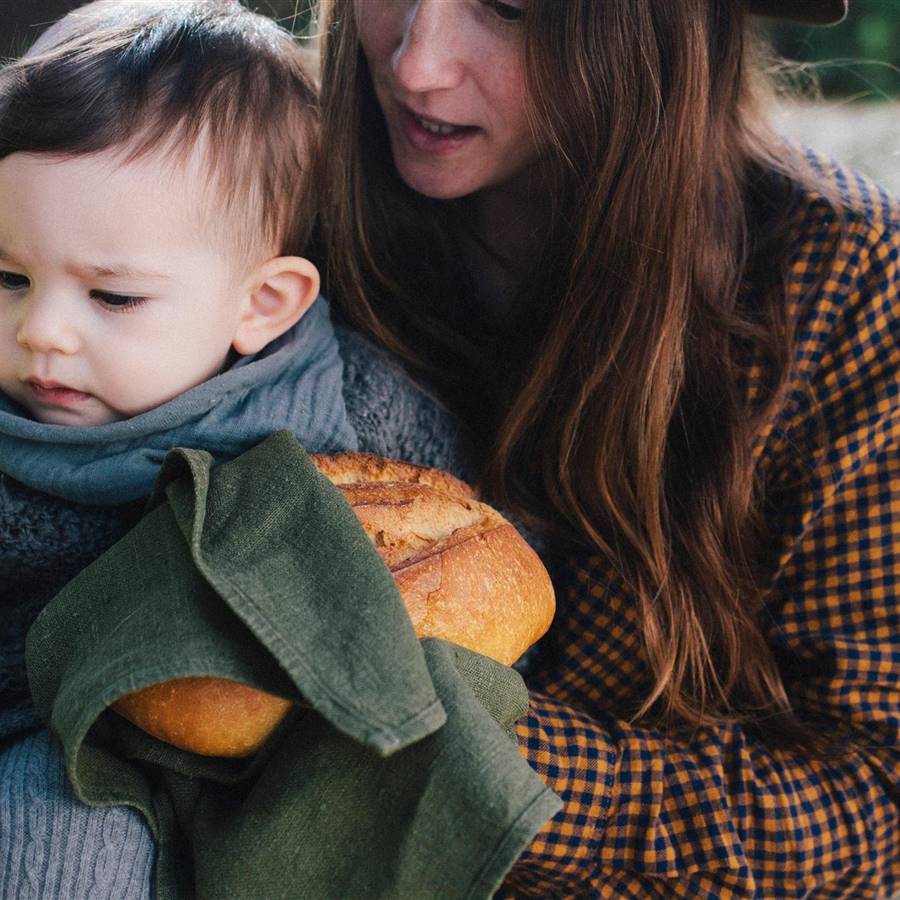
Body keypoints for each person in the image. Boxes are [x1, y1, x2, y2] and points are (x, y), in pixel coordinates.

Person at [308, 0, 899, 896]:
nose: (417, 63)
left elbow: (873, 804)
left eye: (507, 8)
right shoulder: (255, 192)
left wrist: (469, 749)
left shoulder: (843, 283)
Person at [0, 2, 472, 895]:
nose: (44, 332)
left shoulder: (354, 412)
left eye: (114, 299)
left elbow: (463, 556)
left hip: (293, 757)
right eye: (10, 277)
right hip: (57, 741)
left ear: (262, 306)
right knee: (57, 833)